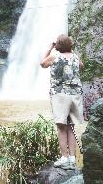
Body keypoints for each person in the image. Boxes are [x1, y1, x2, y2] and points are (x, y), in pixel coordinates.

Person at [40, 34, 83, 170]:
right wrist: (71, 50)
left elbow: (42, 64)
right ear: (70, 45)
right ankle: (72, 158)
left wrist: (50, 47)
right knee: (71, 126)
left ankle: (64, 158)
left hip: (60, 95)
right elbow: (81, 66)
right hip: (75, 95)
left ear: (58, 46)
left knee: (61, 126)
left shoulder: (55, 57)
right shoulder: (75, 57)